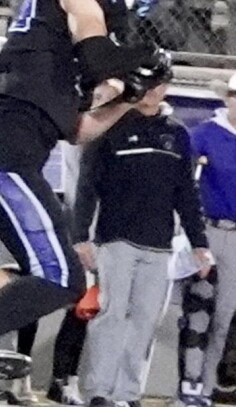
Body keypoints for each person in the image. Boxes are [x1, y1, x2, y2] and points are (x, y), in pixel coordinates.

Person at [0, 0, 167, 405]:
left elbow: (78, 130)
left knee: (47, 275)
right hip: (3, 157)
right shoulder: (77, 25)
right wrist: (137, 62)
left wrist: (126, 98)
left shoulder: (47, 54)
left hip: (2, 155)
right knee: (61, 277)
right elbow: (97, 56)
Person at [74, 62, 212, 407]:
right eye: (146, 84)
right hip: (115, 237)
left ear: (166, 88)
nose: (152, 92)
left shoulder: (177, 134)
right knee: (111, 314)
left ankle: (128, 393)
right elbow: (87, 184)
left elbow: (186, 192)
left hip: (159, 243)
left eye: (159, 84)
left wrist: (199, 244)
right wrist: (81, 235)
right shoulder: (110, 127)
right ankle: (100, 391)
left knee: (146, 321)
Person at [175, 73, 236, 407]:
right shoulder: (205, 135)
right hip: (209, 231)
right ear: (227, 97)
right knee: (198, 312)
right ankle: (188, 384)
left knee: (224, 315)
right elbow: (183, 181)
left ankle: (207, 387)